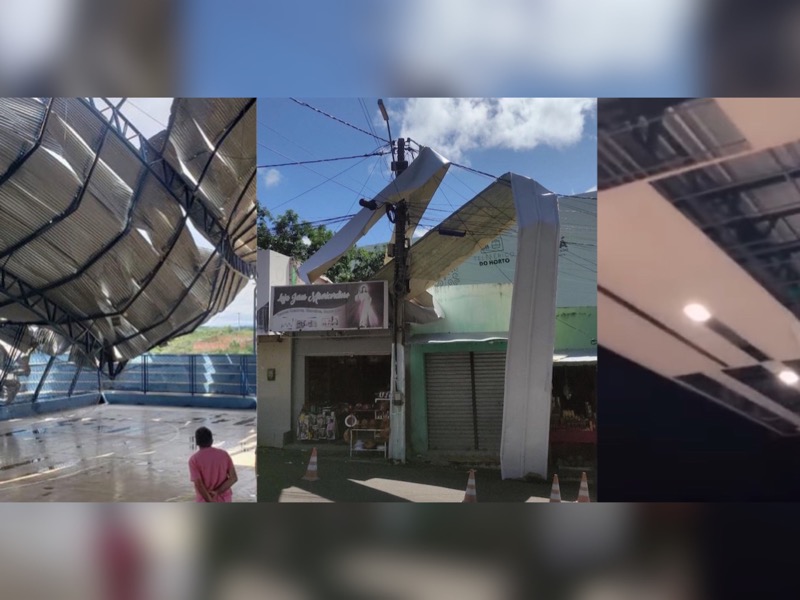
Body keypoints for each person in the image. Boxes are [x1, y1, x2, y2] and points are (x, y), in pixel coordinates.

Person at [188, 427, 238, 502]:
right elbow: (233, 478)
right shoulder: (224, 454)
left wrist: (210, 500)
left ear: (197, 442)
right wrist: (217, 492)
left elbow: (199, 485)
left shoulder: (194, 460)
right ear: (211, 440)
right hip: (224, 499)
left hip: (204, 500)